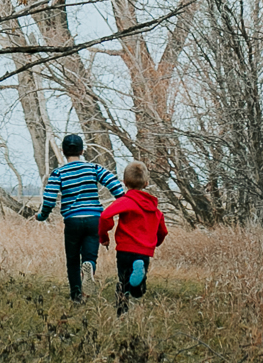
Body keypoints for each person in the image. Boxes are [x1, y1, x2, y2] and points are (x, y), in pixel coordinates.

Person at [33, 132, 122, 302]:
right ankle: (89, 270)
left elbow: (50, 199)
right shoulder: (94, 168)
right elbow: (115, 185)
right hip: (94, 219)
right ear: (82, 151)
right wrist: (124, 203)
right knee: (89, 256)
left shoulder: (59, 173)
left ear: (63, 151)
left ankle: (76, 295)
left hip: (72, 221)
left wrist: (42, 215)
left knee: (73, 259)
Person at [98, 160, 168, 315]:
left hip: (125, 249)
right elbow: (163, 231)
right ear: (146, 183)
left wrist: (104, 236)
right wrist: (155, 243)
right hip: (144, 252)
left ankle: (121, 313)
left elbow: (104, 217)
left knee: (123, 282)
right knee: (138, 288)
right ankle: (138, 285)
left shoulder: (125, 201)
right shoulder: (154, 209)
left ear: (124, 182)